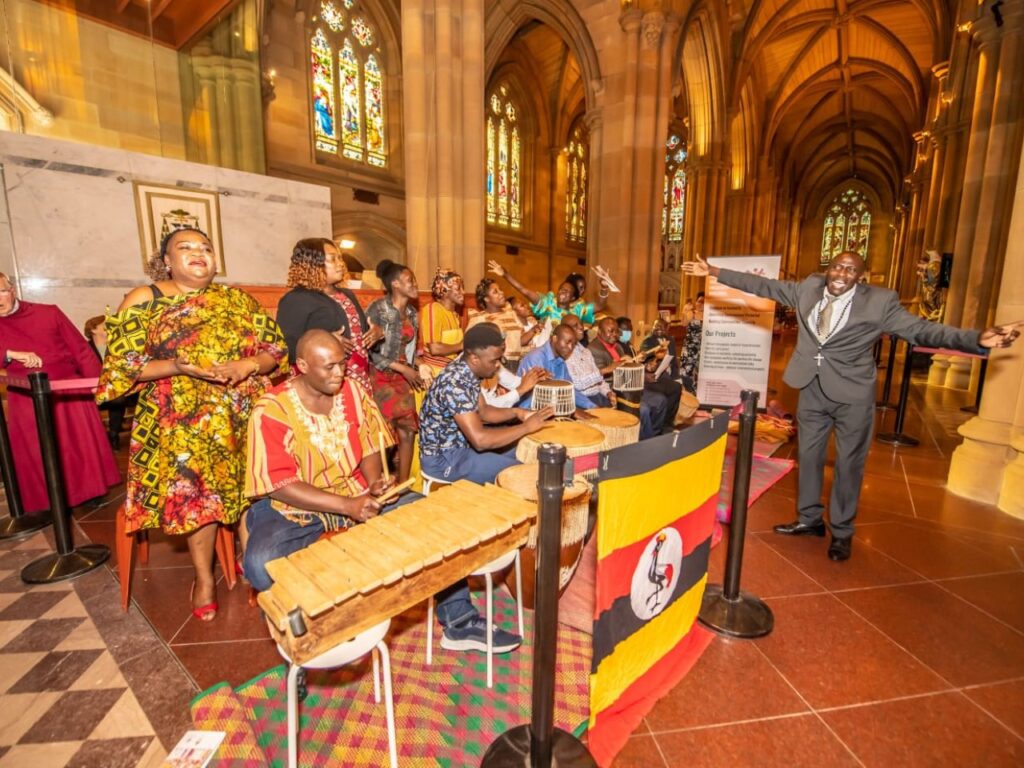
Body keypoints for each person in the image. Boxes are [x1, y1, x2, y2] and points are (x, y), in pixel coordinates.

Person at [682, 251, 1020, 561]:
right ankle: (809, 519)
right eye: (838, 267)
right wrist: (713, 271)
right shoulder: (809, 288)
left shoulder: (880, 303)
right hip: (811, 388)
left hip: (853, 396)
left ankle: (842, 532)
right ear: (829, 269)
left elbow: (921, 330)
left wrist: (975, 339)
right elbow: (763, 285)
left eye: (851, 270)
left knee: (848, 464)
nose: (842, 273)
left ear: (860, 276)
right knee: (809, 457)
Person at [244, 330, 517, 654]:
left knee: (433, 522)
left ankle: (459, 622)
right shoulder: (272, 409)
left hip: (357, 493)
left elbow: (371, 445)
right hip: (295, 505)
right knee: (260, 563)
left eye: (342, 364)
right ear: (302, 365)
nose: (339, 373)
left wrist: (374, 483)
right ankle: (301, 641)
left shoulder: (353, 391)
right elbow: (281, 483)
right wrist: (347, 505)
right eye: (328, 367)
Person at [98, 227, 287, 620]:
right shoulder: (144, 299)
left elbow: (275, 350)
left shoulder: (234, 298)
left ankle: (249, 560)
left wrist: (248, 364)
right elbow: (119, 369)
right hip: (181, 420)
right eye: (185, 248)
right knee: (198, 497)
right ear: (166, 260)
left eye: (206, 248)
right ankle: (203, 577)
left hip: (242, 411)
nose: (198, 254)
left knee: (253, 489)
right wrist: (176, 366)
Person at [0, 275, 120, 513]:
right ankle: (46, 500)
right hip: (25, 395)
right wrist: (9, 353)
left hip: (67, 390)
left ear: (12, 289)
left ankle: (89, 493)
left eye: (0, 292)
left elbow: (80, 349)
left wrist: (97, 383)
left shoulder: (48, 313)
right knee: (37, 450)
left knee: (77, 446)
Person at [418, 322, 555, 484]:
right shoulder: (455, 383)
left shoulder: (468, 372)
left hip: (462, 448)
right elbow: (480, 441)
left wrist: (519, 413)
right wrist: (525, 426)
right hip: (444, 459)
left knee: (526, 450)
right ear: (475, 358)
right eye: (494, 360)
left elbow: (484, 411)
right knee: (525, 476)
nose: (498, 365)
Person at [275, 238, 382, 392]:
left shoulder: (347, 295)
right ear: (313, 264)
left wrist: (376, 335)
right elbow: (286, 348)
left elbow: (361, 338)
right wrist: (324, 342)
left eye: (340, 258)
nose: (341, 264)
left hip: (358, 379)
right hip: (321, 383)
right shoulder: (296, 299)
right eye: (333, 259)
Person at [366, 260, 423, 483]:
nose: (416, 284)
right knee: (384, 435)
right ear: (396, 284)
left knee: (408, 431)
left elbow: (410, 351)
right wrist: (403, 369)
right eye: (410, 280)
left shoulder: (412, 313)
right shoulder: (377, 309)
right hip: (380, 377)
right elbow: (368, 351)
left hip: (402, 378)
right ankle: (378, 483)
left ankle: (403, 484)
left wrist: (416, 366)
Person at [590, 316, 673, 438]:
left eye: (616, 331)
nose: (614, 334)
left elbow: (628, 367)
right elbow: (602, 376)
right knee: (643, 409)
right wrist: (619, 364)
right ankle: (644, 441)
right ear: (600, 332)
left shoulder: (617, 346)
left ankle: (654, 435)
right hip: (614, 390)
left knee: (660, 401)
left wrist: (641, 364)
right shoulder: (594, 349)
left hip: (630, 386)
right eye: (610, 331)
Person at [487, 260, 609, 325]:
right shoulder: (547, 304)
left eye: (567, 291)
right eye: (561, 289)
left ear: (573, 298)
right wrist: (505, 274)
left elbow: (600, 305)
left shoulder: (578, 310)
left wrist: (604, 288)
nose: (562, 292)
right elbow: (524, 290)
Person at [516, 324, 600, 411]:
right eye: (567, 342)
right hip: (529, 411)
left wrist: (592, 406)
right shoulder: (536, 357)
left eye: (573, 344)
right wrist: (574, 411)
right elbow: (542, 395)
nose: (570, 348)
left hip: (553, 408)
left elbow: (570, 390)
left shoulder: (561, 359)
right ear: (555, 339)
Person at [84, 314, 134, 449]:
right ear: (94, 329)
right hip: (92, 390)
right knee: (117, 398)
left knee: (119, 398)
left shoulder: (118, 347)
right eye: (106, 325)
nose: (111, 327)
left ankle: (113, 434)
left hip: (117, 388)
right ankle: (99, 438)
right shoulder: (84, 349)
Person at [468, 278, 537, 368]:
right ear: (486, 298)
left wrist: (533, 330)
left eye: (500, 289)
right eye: (495, 292)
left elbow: (518, 342)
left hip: (517, 364)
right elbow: (470, 346)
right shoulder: (479, 318)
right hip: (497, 366)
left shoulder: (511, 313)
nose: (501, 293)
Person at [561, 314, 615, 406]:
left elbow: (599, 381)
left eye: (581, 323)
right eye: (575, 325)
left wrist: (608, 393)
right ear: (565, 331)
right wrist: (604, 371)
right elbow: (577, 384)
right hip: (582, 401)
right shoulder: (564, 354)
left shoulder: (586, 351)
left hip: (598, 396)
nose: (581, 327)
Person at [419, 268, 465, 372]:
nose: (463, 292)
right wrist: (462, 345)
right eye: (458, 288)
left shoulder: (455, 315)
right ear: (444, 291)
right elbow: (435, 349)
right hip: (435, 372)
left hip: (451, 371)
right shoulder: (433, 309)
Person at [679, 292, 704, 394]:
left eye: (703, 302)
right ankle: (686, 394)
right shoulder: (691, 313)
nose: (700, 304)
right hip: (689, 347)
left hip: (702, 348)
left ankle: (698, 395)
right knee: (686, 372)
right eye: (699, 301)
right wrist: (685, 312)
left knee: (700, 373)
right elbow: (683, 323)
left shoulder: (709, 315)